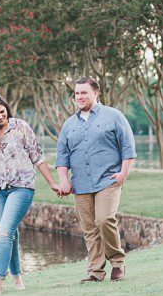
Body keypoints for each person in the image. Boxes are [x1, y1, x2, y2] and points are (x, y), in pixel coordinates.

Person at [0, 93, 62, 295]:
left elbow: (37, 156)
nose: (0, 116)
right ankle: (18, 281)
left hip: (21, 187)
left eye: (2, 111)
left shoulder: (21, 127)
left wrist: (52, 182)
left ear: (6, 108)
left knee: (4, 233)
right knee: (11, 234)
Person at [55, 76, 137, 283]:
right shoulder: (69, 124)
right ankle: (95, 272)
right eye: (77, 93)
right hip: (81, 184)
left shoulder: (114, 116)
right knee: (89, 228)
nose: (79, 97)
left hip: (107, 180)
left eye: (84, 92)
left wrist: (123, 173)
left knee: (104, 219)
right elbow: (62, 156)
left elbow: (128, 147)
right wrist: (63, 180)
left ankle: (117, 263)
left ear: (95, 93)